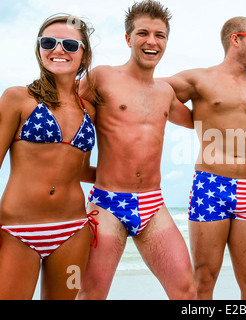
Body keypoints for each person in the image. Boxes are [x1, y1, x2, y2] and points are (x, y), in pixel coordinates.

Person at [76, 0, 196, 300]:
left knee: (186, 290)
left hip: (153, 204)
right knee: (91, 293)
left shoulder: (166, 93)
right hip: (107, 202)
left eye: (160, 35)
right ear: (128, 38)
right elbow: (68, 123)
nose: (152, 41)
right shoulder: (100, 78)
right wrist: (91, 173)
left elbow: (202, 122)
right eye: (143, 33)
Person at [164, 16, 246, 299]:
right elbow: (150, 89)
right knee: (204, 279)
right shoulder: (200, 78)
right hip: (209, 185)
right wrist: (192, 120)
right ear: (236, 39)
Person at [0, 14, 97, 299]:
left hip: (73, 232)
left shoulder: (89, 109)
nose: (58, 49)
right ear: (39, 49)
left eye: (69, 43)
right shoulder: (17, 98)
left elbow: (80, 171)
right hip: (18, 230)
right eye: (48, 42)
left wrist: (127, 180)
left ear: (84, 54)